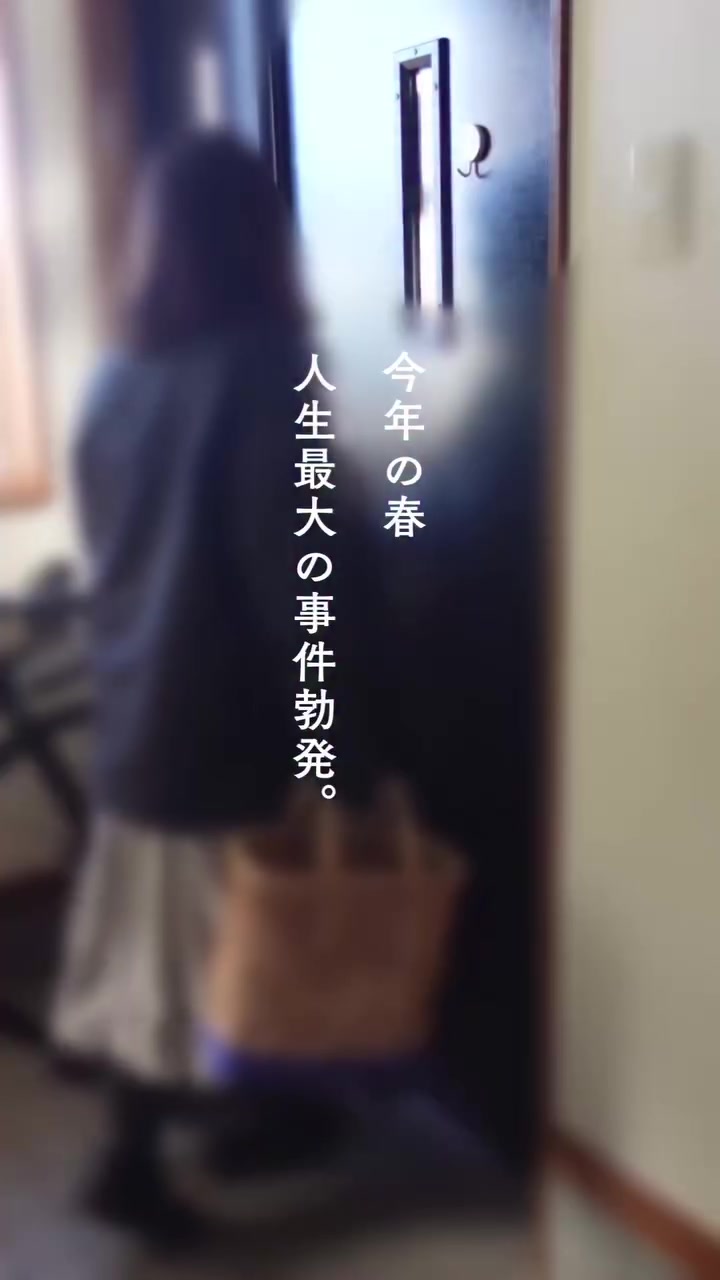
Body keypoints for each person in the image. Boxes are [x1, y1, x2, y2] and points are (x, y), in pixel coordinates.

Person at [50, 130, 379, 1245]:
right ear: (261, 239)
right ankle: (131, 1162)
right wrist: (335, 748)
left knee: (166, 947)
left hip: (139, 710)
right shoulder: (272, 372)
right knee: (231, 945)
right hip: (227, 727)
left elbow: (114, 540)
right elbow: (298, 578)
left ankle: (269, 1115)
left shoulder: (117, 376)